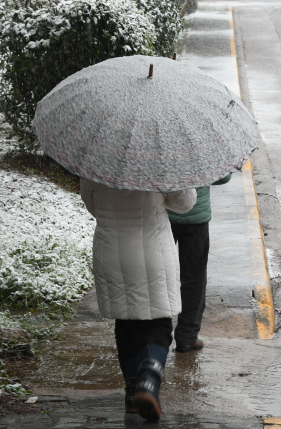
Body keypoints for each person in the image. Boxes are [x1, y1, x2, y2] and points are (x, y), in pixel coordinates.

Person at [80, 178, 196, 422]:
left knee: (125, 321)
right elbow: (185, 203)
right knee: (158, 323)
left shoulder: (97, 162)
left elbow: (92, 204)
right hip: (152, 249)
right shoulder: (159, 159)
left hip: (111, 251)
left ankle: (133, 395)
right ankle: (148, 381)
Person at [167, 174, 231, 353]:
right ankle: (187, 337)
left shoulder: (155, 146)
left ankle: (160, 335)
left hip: (161, 217)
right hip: (196, 217)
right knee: (194, 277)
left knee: (161, 275)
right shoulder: (201, 146)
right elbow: (223, 177)